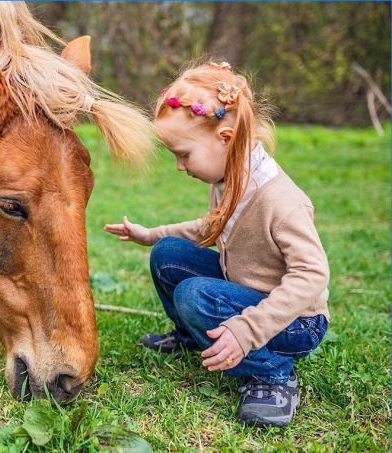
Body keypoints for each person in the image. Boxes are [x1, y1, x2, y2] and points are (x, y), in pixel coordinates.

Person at [104, 61, 329, 427]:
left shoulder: (280, 200)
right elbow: (210, 226)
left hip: (296, 322)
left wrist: (248, 329)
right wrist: (150, 235)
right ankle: (195, 336)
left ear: (224, 138)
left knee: (194, 295)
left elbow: (312, 275)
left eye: (184, 154)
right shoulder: (232, 175)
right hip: (245, 293)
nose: (179, 166)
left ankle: (273, 375)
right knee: (167, 255)